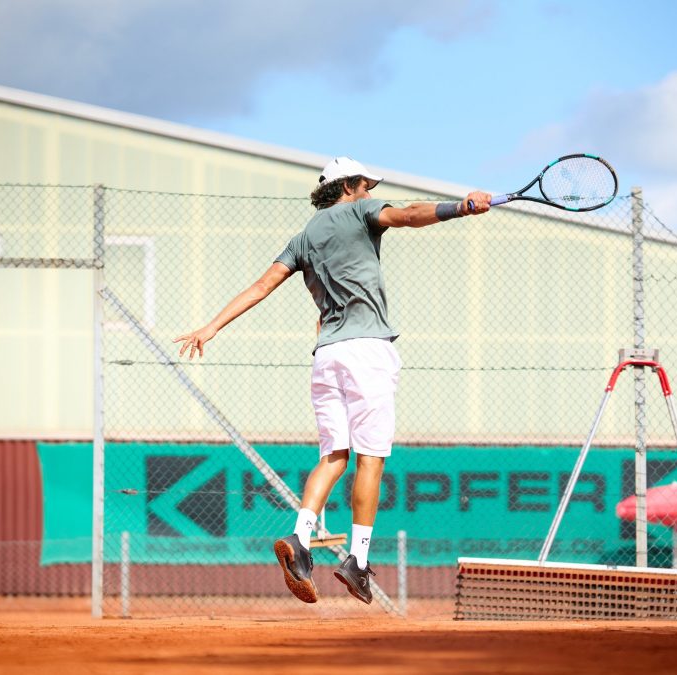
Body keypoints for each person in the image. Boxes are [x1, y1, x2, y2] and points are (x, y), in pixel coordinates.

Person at [174, 157, 491, 604]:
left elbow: (260, 288)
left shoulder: (303, 237)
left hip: (326, 355)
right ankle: (357, 561)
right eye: (366, 185)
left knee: (333, 457)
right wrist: (460, 207)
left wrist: (210, 327)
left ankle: (301, 541)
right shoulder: (361, 211)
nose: (370, 192)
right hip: (367, 353)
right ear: (350, 186)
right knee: (371, 459)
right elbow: (407, 215)